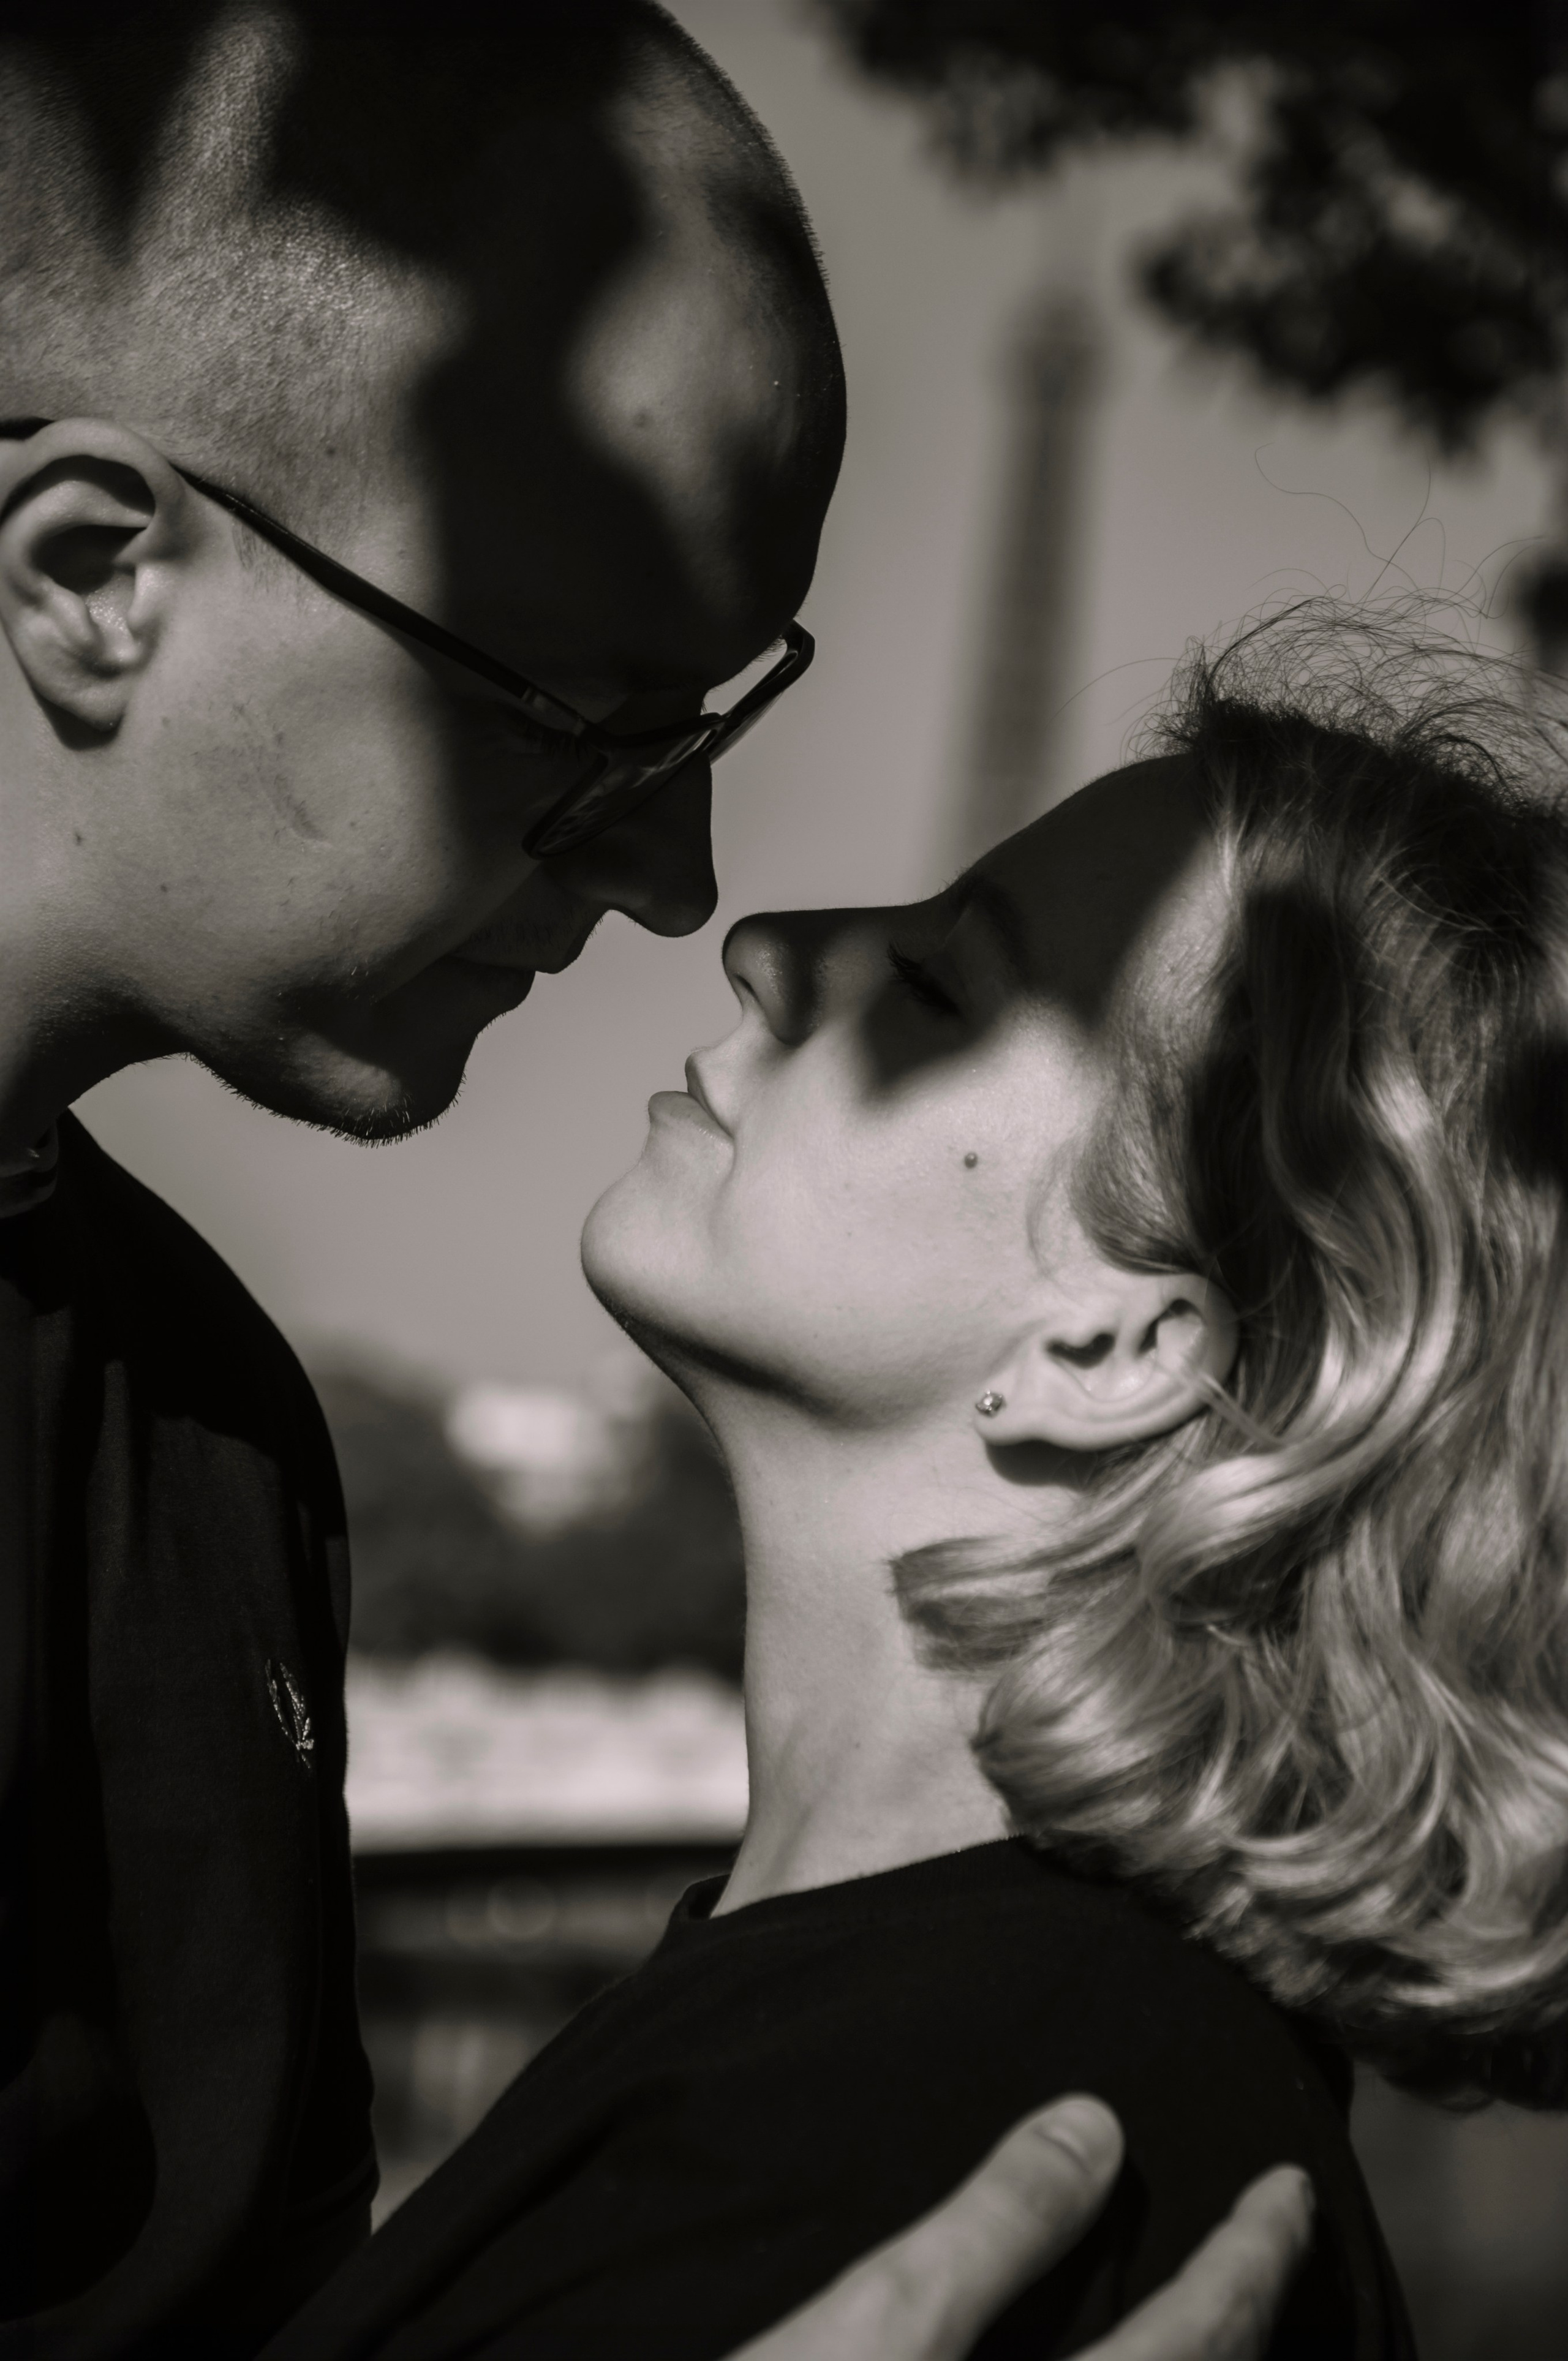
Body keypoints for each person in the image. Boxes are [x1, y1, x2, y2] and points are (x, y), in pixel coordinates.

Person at [0, 1, 1308, 2352]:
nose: (693, 882)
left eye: (716, 729)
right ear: (95, 575)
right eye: (586, 718)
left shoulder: (212, 1429)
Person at [259, 611, 1568, 2358]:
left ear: (1121, 1351)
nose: (773, 944)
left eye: (947, 982)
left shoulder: (941, 2140)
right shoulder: (960, 2050)